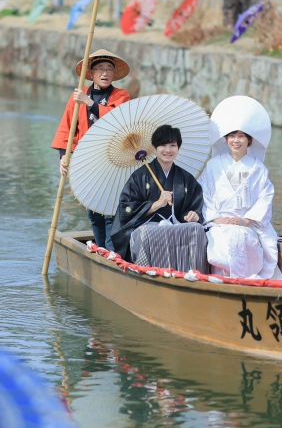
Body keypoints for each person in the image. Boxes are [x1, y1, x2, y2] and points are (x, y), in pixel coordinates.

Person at [51, 49, 131, 251]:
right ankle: (101, 250)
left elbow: (119, 120)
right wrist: (64, 155)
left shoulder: (121, 96)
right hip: (87, 162)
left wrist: (89, 103)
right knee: (93, 213)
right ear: (91, 73)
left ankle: (112, 254)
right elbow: (67, 128)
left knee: (110, 211)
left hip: (112, 161)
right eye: (100, 69)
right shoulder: (78, 96)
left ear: (114, 74)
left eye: (109, 69)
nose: (105, 73)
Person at [198, 96, 282, 280]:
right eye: (232, 136)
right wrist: (217, 219)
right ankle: (222, 279)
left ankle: (243, 280)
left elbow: (265, 198)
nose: (236, 140)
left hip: (248, 224)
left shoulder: (258, 168)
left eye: (241, 136)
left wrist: (246, 220)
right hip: (219, 223)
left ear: (249, 140)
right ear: (226, 138)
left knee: (242, 238)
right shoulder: (213, 165)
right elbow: (204, 195)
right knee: (222, 239)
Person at [110, 125, 206, 270]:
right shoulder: (139, 177)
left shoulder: (186, 178)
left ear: (178, 148)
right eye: (163, 145)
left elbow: (194, 206)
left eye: (172, 145)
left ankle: (193, 273)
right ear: (154, 149)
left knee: (196, 230)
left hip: (176, 229)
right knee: (146, 233)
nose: (168, 150)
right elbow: (126, 211)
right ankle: (146, 274)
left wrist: (193, 215)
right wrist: (156, 205)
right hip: (147, 229)